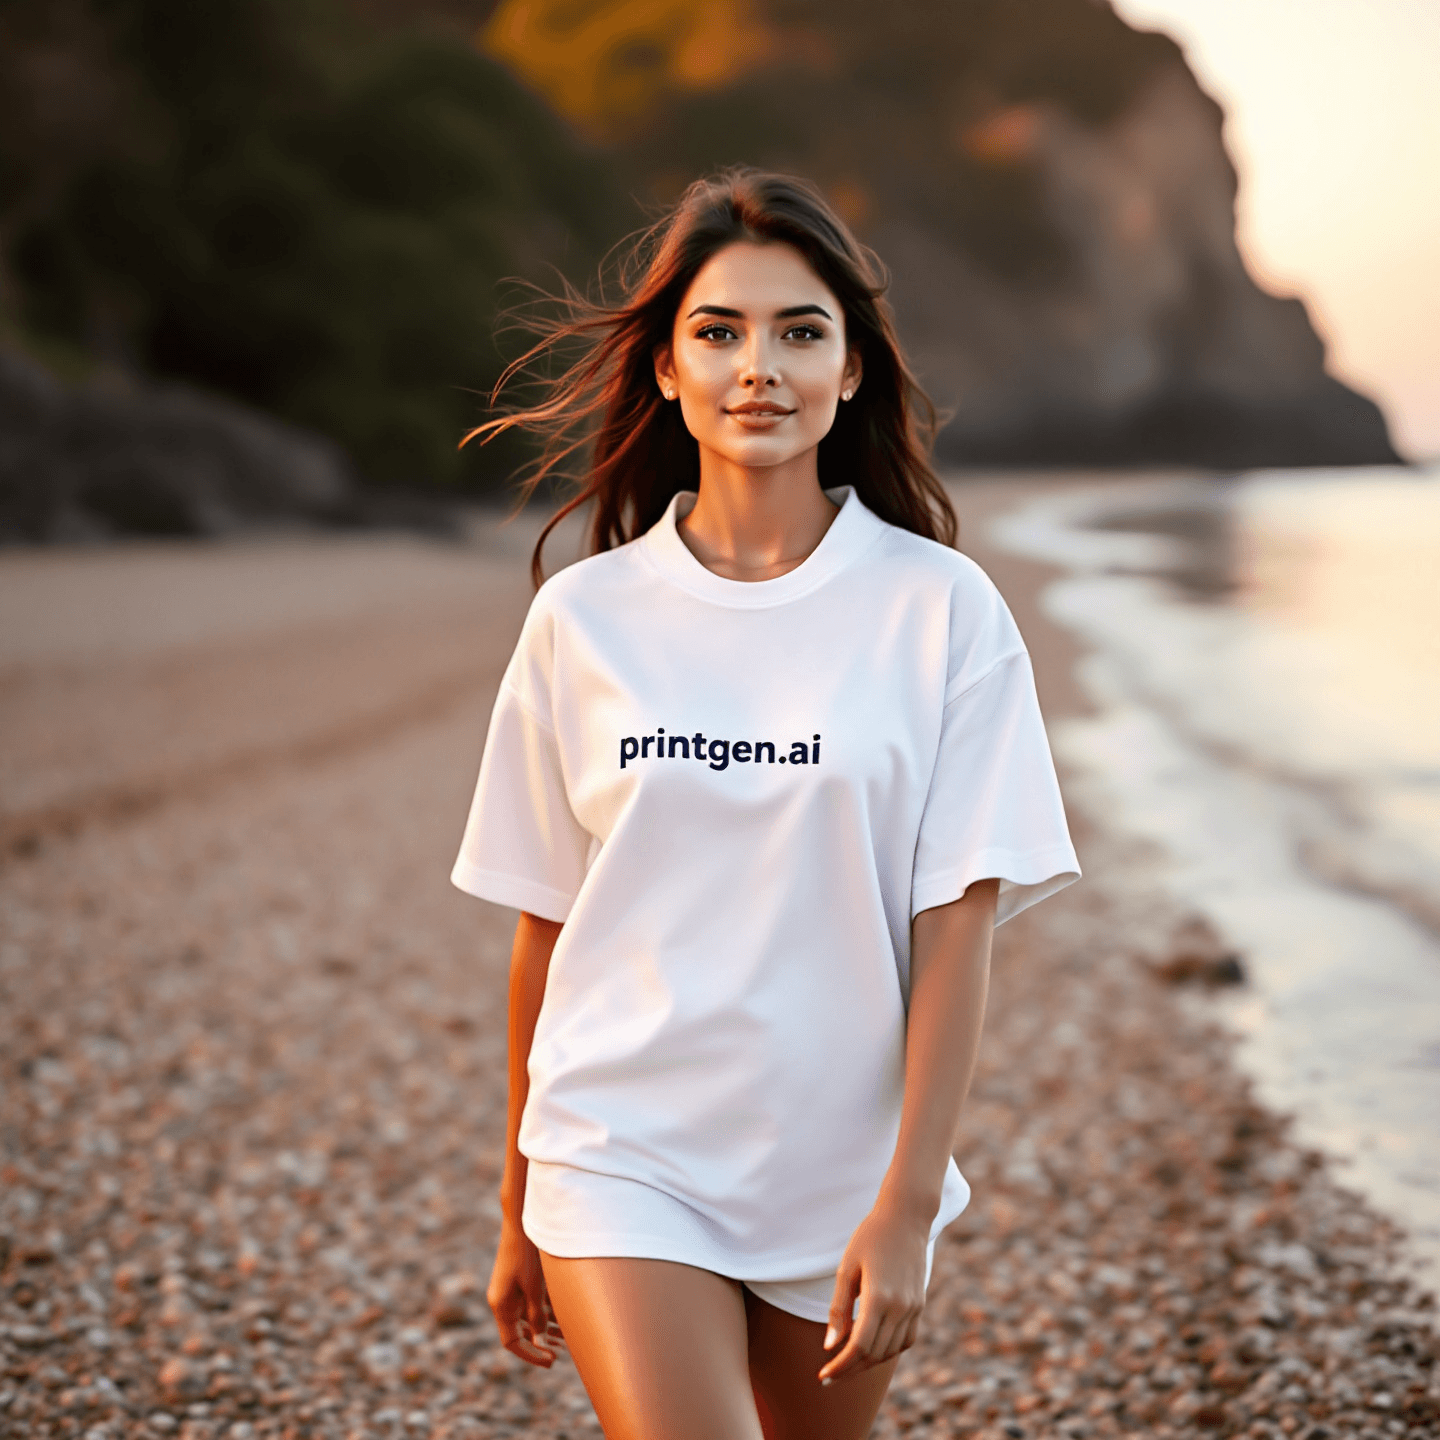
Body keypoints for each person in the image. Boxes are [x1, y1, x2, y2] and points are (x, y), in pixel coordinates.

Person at [449, 168, 1080, 1440]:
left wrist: (907, 1208)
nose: (759, 368)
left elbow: (955, 930)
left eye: (799, 332)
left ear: (851, 369)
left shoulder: (941, 610)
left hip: (839, 1172)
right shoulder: (583, 618)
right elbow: (547, 928)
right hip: (620, 1150)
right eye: (719, 331)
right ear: (668, 368)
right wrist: (517, 1205)